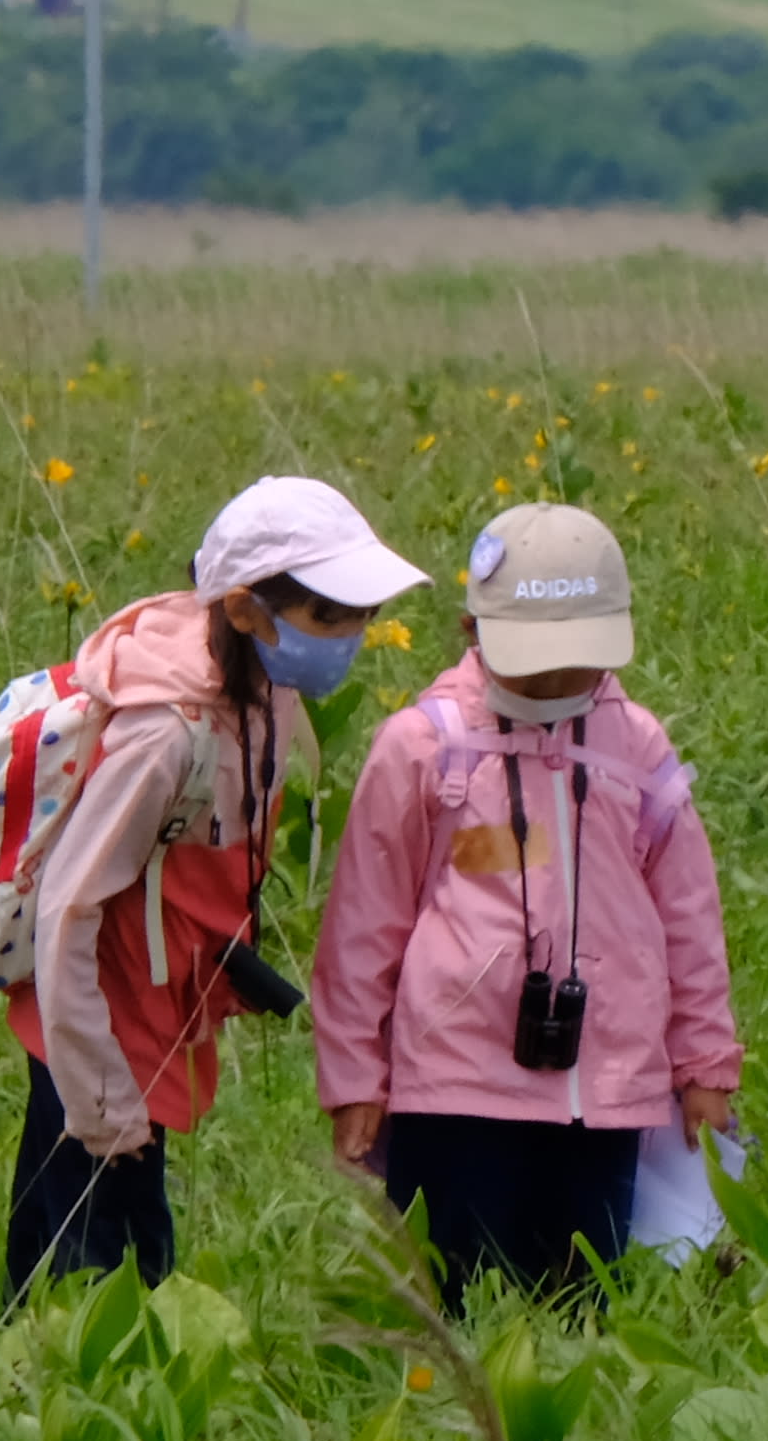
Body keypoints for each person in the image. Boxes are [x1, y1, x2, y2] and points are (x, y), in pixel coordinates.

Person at [5, 471, 428, 1308]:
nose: (350, 637)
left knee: (121, 1228)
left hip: (155, 1011)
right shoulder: (164, 735)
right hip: (96, 1018)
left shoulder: (264, 690)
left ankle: (67, 1365)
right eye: (328, 618)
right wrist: (98, 1092)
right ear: (243, 609)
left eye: (361, 617)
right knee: (94, 1253)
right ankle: (62, 1390)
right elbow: (68, 908)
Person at [310, 503, 743, 1307]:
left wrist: (704, 1064)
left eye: (575, 660)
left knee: (582, 1304)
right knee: (453, 1302)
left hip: (604, 1094)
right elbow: (363, 929)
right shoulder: (423, 747)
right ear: (474, 630)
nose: (554, 683)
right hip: (453, 1088)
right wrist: (356, 1079)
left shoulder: (636, 746)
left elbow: (690, 918)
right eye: (533, 659)